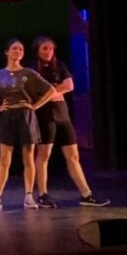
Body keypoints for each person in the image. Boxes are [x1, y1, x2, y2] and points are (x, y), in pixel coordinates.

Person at [31, 36, 109, 208]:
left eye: (51, 48)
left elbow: (69, 85)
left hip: (62, 114)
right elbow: (38, 92)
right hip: (45, 116)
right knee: (43, 155)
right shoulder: (33, 70)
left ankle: (86, 195)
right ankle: (43, 194)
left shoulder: (59, 66)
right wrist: (54, 91)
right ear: (37, 50)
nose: (49, 51)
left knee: (73, 156)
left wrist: (50, 91)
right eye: (45, 48)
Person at [0, 39, 56, 210]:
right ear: (6, 52)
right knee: (4, 159)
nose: (18, 51)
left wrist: (35, 106)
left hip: (26, 116)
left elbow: (51, 90)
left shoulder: (29, 73)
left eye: (20, 49)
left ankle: (29, 196)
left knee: (28, 158)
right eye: (14, 49)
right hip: (8, 116)